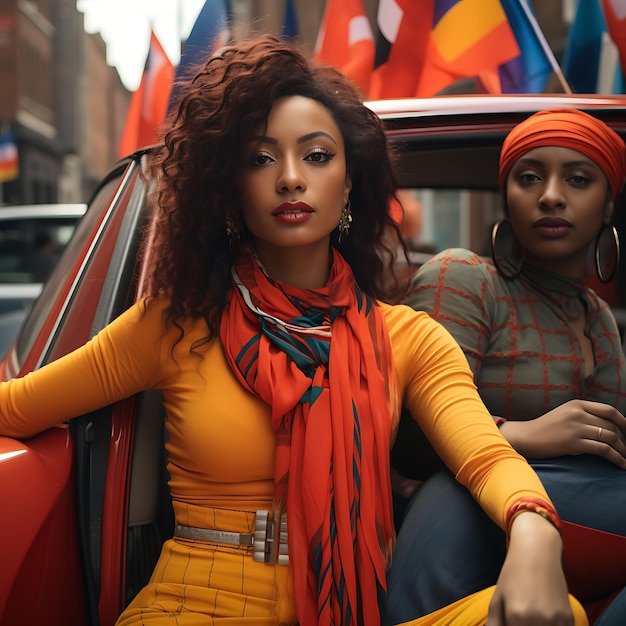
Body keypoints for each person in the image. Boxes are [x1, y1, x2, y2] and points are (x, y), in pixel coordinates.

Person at [0, 36, 586, 626]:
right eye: (260, 159)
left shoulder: (408, 338)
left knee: (564, 611)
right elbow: (17, 408)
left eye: (316, 156)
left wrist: (535, 531)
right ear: (231, 189)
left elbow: (483, 455)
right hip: (193, 603)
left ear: (350, 184)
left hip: (345, 608)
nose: (289, 179)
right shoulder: (176, 323)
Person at [387, 109, 626, 625]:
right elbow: (407, 441)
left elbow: (609, 456)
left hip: (566, 522)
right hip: (462, 511)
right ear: (506, 196)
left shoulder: (600, 318)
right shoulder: (465, 277)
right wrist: (524, 434)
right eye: (530, 177)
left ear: (608, 205)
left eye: (578, 180)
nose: (551, 196)